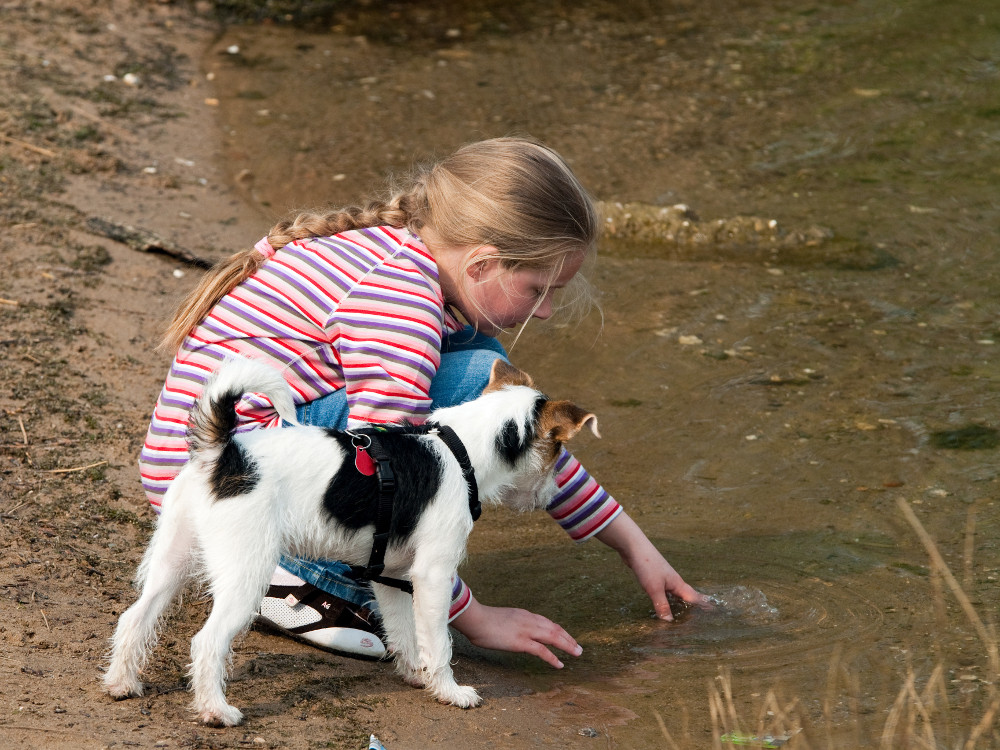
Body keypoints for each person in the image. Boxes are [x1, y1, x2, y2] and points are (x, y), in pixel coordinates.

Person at [139, 136, 703, 669]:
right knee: (479, 384)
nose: (548, 312)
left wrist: (632, 544)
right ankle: (300, 580)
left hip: (204, 458)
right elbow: (391, 490)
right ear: (481, 263)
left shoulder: (409, 255)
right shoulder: (402, 309)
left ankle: (306, 566)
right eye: (539, 290)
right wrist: (474, 618)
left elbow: (532, 443)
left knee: (487, 384)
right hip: (229, 484)